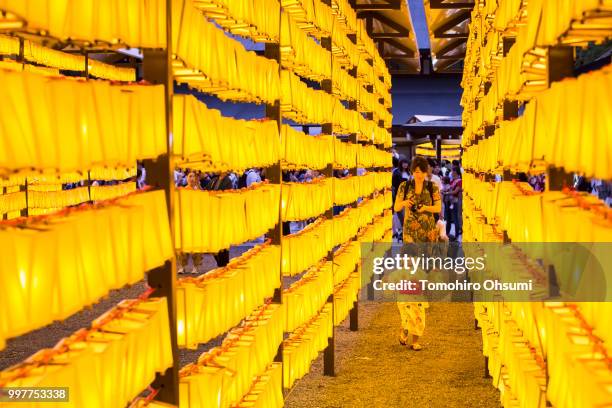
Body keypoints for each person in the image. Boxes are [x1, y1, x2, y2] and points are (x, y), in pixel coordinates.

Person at [393, 156, 441, 350]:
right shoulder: (405, 186)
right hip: (410, 237)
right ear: (412, 171)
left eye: (421, 171)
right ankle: (406, 326)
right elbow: (395, 207)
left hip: (428, 238)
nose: (419, 174)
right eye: (416, 171)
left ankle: (414, 332)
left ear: (426, 172)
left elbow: (438, 208)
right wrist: (406, 202)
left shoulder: (432, 187)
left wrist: (424, 207)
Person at [205, 172, 235, 266]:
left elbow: (226, 195)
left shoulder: (228, 181)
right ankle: (220, 263)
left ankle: (223, 264)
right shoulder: (214, 180)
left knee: (222, 241)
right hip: (212, 213)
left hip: (222, 213)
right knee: (214, 243)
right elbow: (206, 191)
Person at [178, 172, 203, 273]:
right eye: (190, 176)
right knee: (183, 244)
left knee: (196, 244)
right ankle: (182, 266)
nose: (192, 178)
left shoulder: (200, 191)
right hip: (186, 220)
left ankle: (196, 266)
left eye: (194, 176)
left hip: (197, 220)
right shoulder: (183, 190)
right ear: (187, 178)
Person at [392, 158, 410, 240]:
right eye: (404, 163)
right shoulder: (397, 172)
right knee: (401, 215)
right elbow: (395, 185)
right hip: (400, 196)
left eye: (406, 163)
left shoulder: (408, 172)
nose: (405, 165)